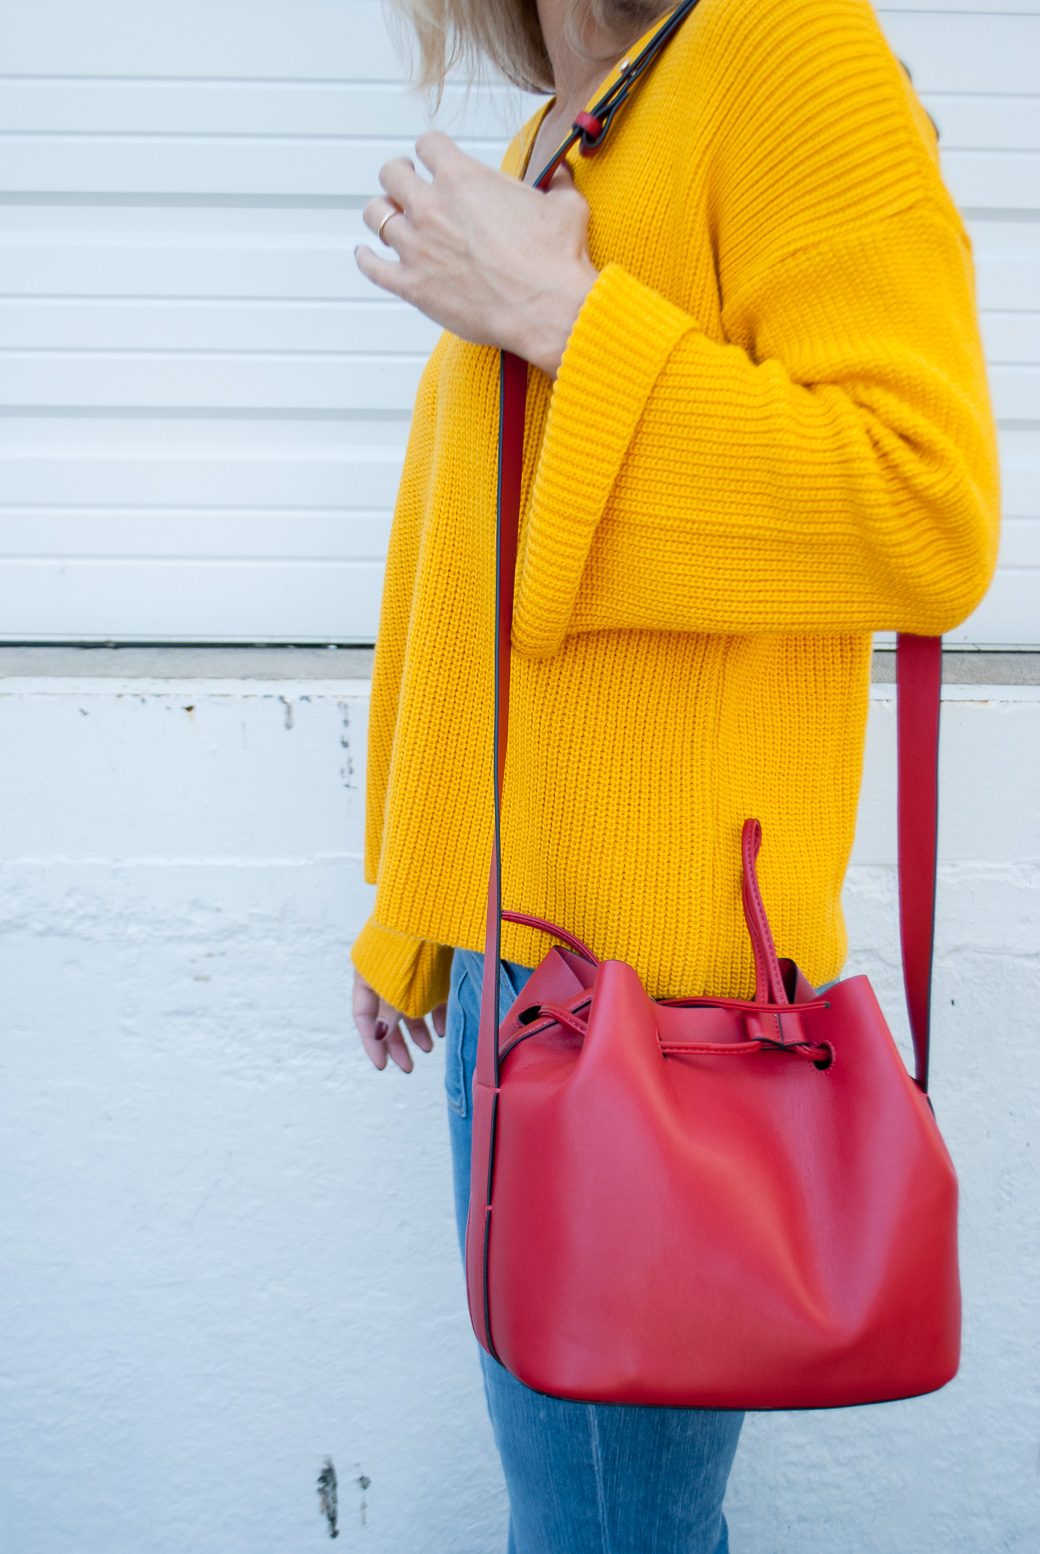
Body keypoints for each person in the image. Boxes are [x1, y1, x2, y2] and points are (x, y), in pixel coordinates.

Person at [350, 0, 999, 1547]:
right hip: (516, 980)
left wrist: (574, 319)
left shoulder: (788, 49)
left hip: (660, 1031)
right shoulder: (564, 132)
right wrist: (415, 907)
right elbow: (469, 584)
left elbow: (927, 507)